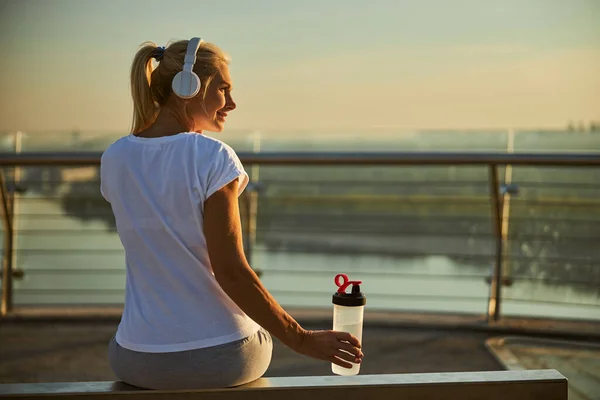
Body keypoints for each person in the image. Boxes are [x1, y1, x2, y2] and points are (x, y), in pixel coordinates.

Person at [101, 37, 364, 390]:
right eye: (223, 90)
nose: (232, 103)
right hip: (218, 357)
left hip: (135, 358)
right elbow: (231, 271)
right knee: (260, 340)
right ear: (189, 87)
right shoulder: (213, 157)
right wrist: (301, 339)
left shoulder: (115, 158)